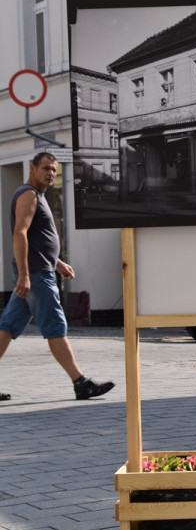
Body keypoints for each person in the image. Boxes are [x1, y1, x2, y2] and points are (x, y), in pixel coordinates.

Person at [0, 152, 115, 401]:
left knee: (7, 328)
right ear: (33, 169)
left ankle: (80, 382)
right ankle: (80, 383)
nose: (51, 173)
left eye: (54, 170)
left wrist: (58, 262)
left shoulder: (37, 195)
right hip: (36, 275)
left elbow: (37, 239)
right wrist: (25, 275)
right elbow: (20, 234)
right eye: (46, 169)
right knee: (55, 326)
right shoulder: (29, 194)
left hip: (40, 269)